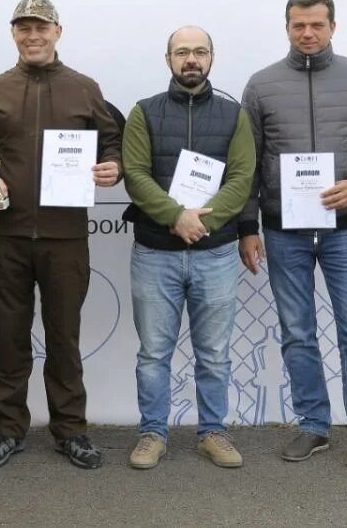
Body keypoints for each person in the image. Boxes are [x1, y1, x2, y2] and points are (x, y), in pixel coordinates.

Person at [239, 0, 347, 483]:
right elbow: (247, 162)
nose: (307, 33)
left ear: (332, 26)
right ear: (287, 28)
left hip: (345, 229)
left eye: (316, 24)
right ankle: (313, 424)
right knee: (297, 333)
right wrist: (247, 225)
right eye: (298, 25)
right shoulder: (262, 84)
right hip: (283, 230)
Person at [0, 0, 122, 470]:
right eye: (24, 27)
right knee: (9, 337)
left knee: (64, 338)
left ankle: (70, 429)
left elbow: (112, 140)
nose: (33, 35)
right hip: (6, 236)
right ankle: (7, 429)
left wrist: (113, 166)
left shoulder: (84, 88)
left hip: (65, 237)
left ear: (58, 31)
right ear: (13, 33)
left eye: (41, 27)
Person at [121, 26, 254, 469]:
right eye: (182, 52)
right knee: (153, 352)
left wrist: (202, 220)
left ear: (212, 58)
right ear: (168, 59)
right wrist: (175, 216)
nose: (191, 59)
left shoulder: (235, 116)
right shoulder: (143, 113)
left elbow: (241, 178)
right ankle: (152, 433)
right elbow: (136, 176)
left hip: (215, 254)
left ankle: (212, 431)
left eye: (199, 51)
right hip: (156, 252)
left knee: (214, 352)